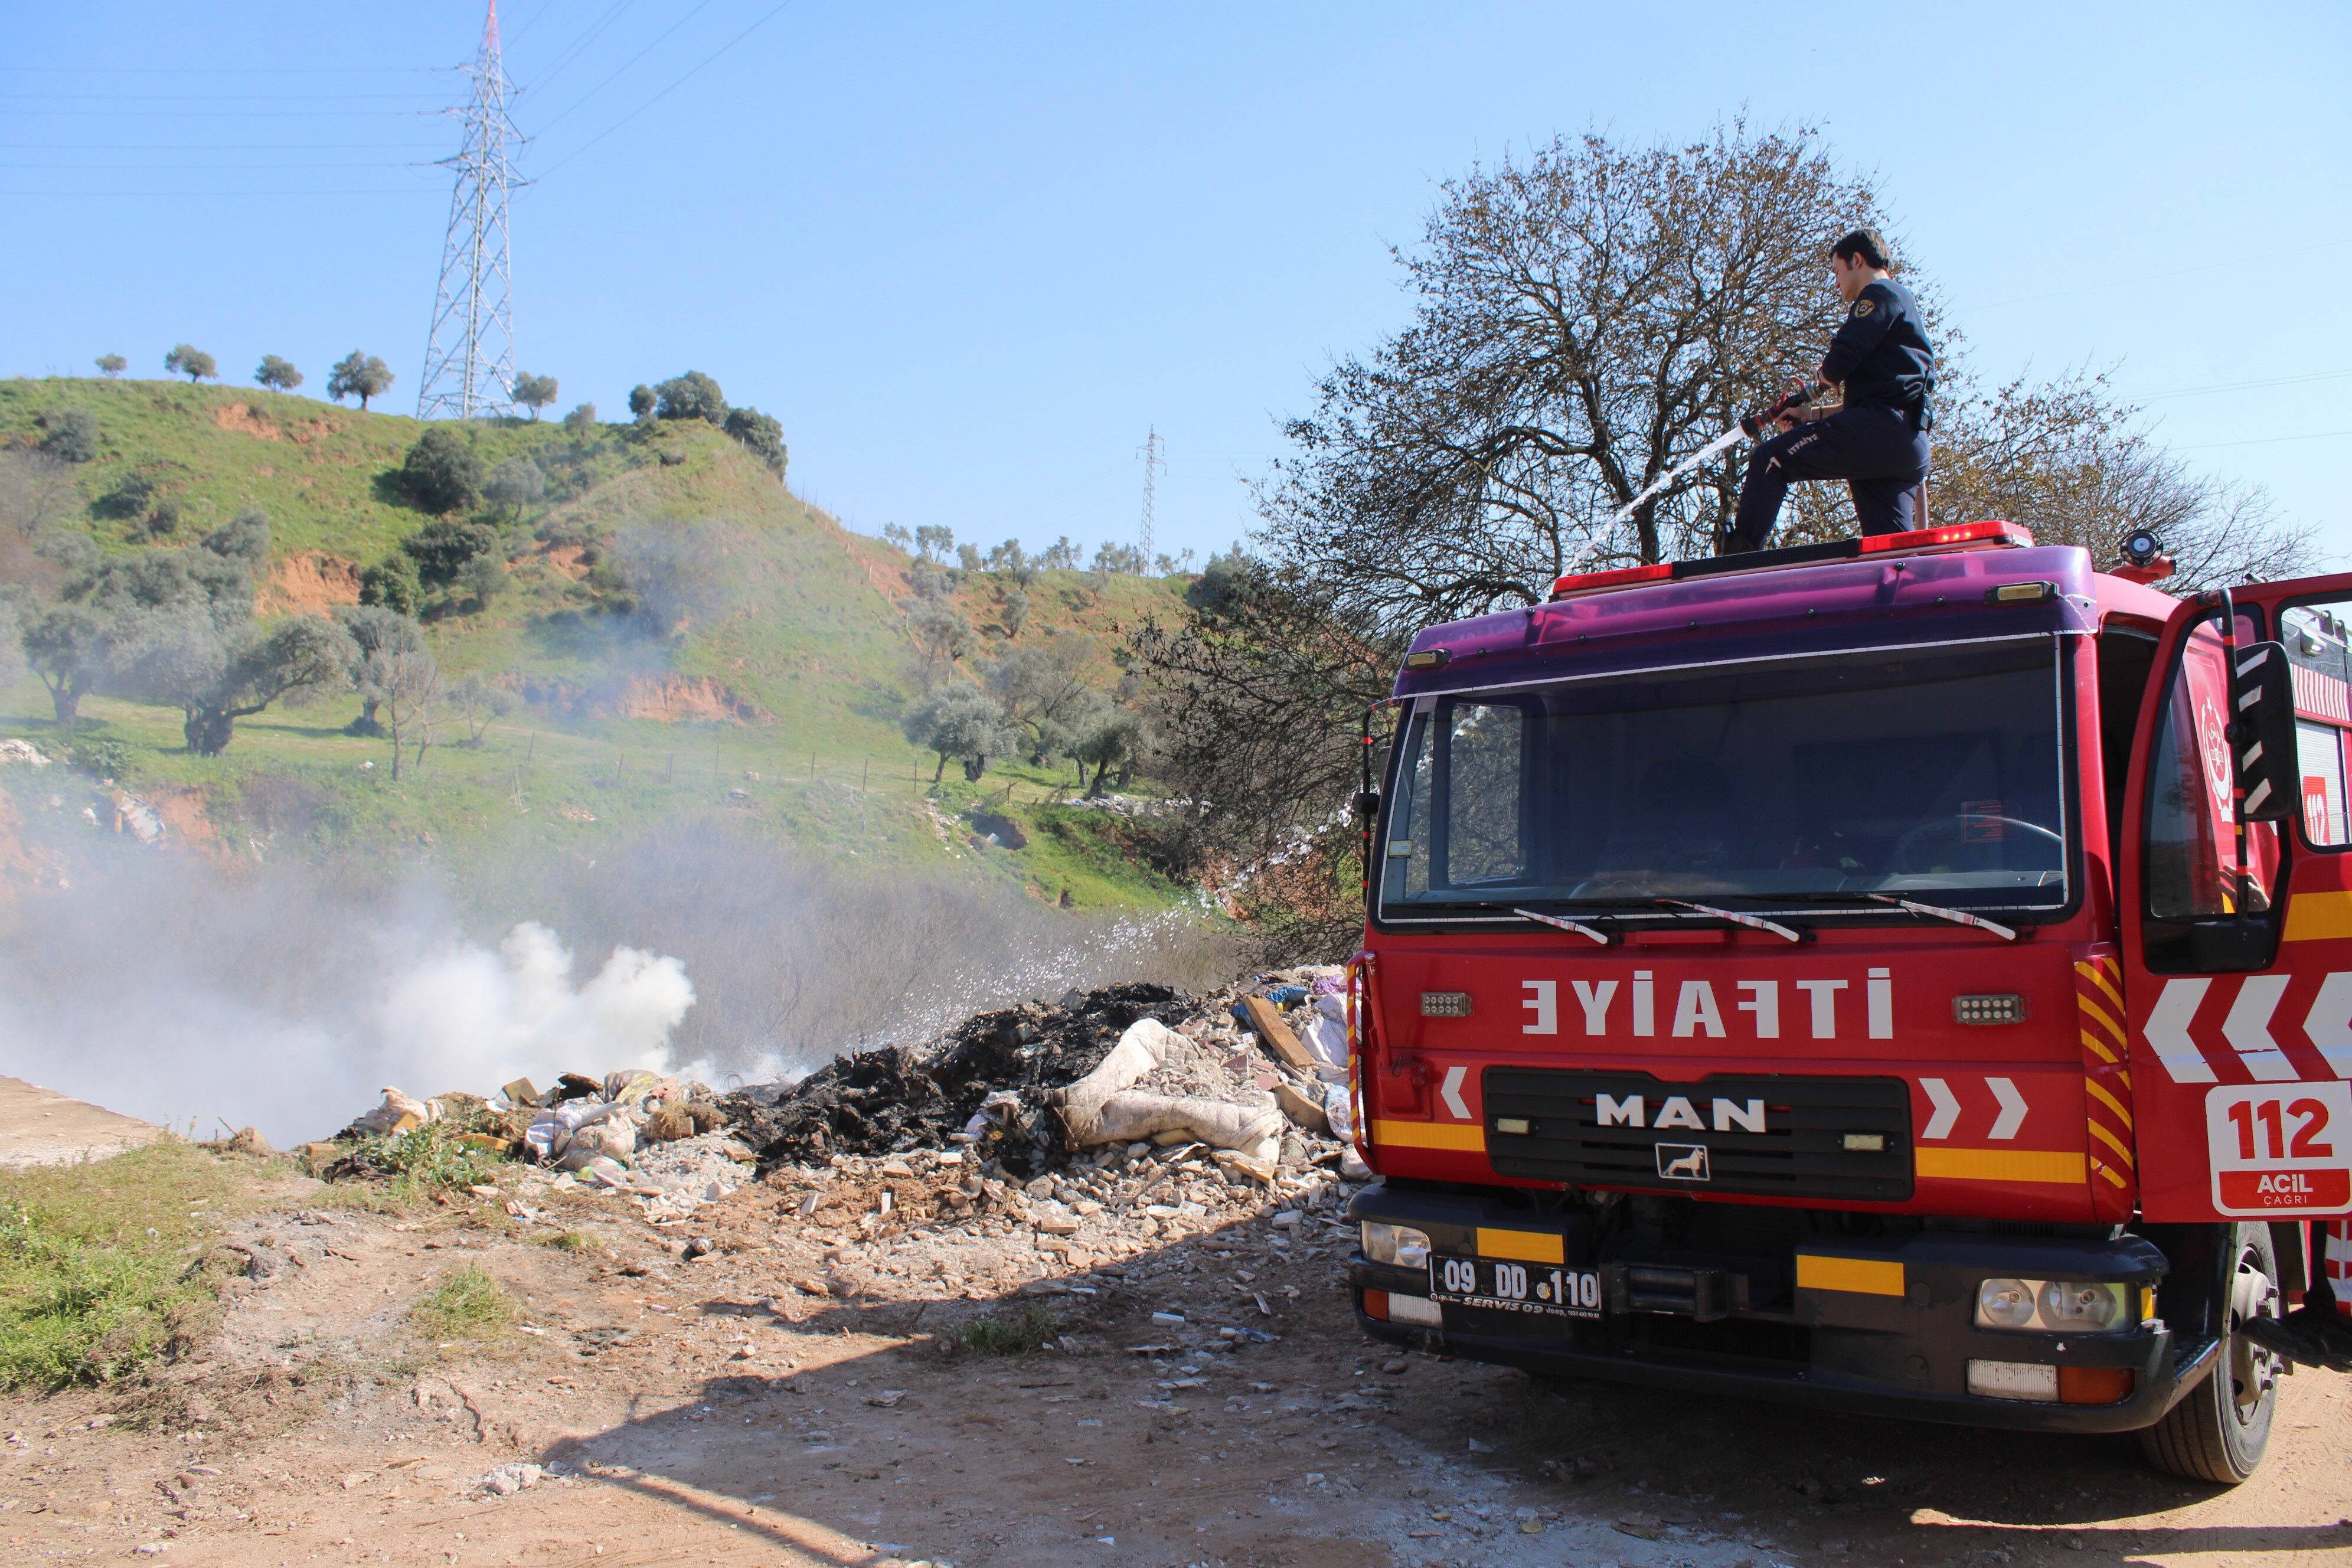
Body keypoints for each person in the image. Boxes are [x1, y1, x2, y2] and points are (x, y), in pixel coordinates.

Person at [1722, 227, 1935, 553]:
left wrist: (1818, 385)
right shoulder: (1905, 307)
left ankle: (1735, 559)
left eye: (1837, 271)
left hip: (1881, 430)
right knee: (1892, 556)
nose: (1836, 283)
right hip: (1905, 446)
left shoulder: (1880, 294)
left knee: (1772, 459)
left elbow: (1841, 359)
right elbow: (1872, 402)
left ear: (1857, 260)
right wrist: (1809, 414)